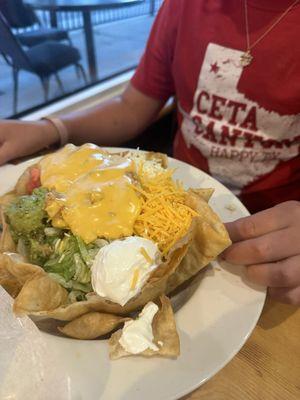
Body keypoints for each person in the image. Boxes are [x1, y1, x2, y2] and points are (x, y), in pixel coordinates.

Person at [0, 0, 299, 304]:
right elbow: (131, 107)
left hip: (275, 242)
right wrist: (50, 129)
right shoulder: (183, 6)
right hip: (171, 197)